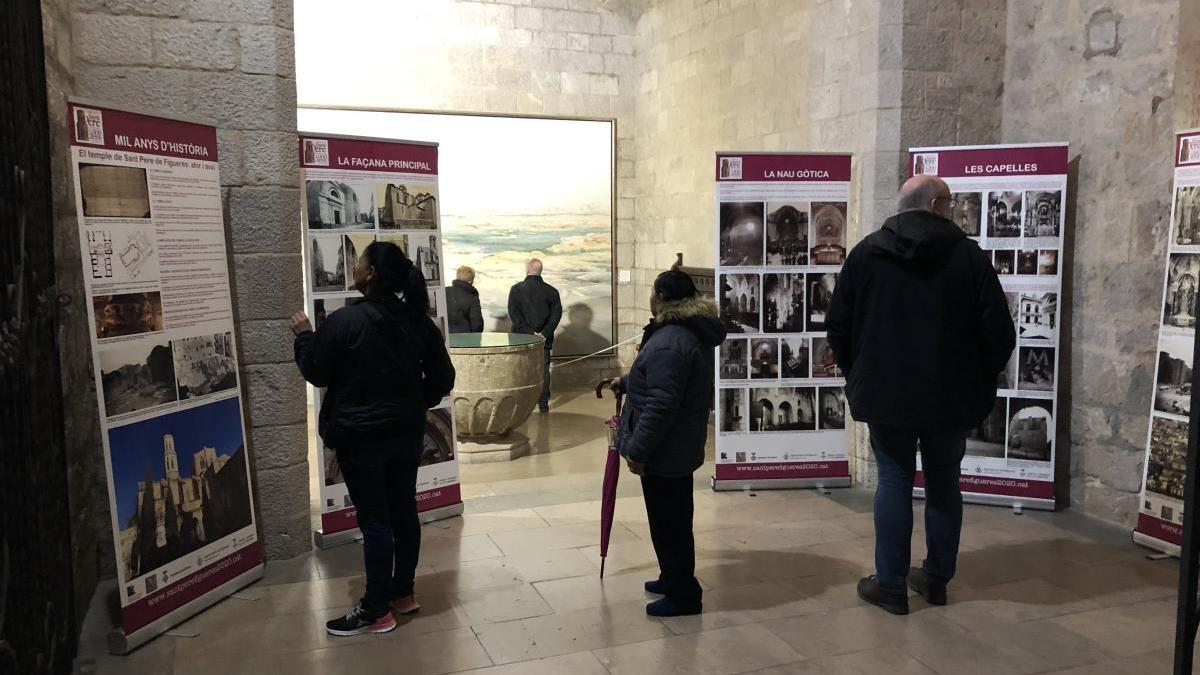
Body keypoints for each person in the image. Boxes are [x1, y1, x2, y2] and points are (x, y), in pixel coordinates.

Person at [826, 175, 1016, 615]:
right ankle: (935, 579)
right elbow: (998, 333)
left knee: (893, 479)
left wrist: (861, 375)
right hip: (950, 396)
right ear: (934, 205)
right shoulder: (968, 257)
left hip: (886, 394)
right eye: (950, 202)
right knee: (944, 481)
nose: (953, 209)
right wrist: (977, 378)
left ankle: (891, 585)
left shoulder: (868, 253)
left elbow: (839, 325)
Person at [291, 241, 455, 636]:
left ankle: (376, 609)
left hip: (362, 437)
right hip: (405, 432)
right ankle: (403, 593)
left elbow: (316, 370)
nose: (356, 267)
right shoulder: (416, 320)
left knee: (376, 521)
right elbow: (443, 378)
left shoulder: (348, 321)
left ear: (371, 274)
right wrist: (415, 402)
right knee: (402, 511)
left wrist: (303, 336)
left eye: (360, 262)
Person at [603, 270, 726, 617]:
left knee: (669, 523)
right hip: (677, 445)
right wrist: (627, 382)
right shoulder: (682, 332)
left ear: (659, 296)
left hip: (665, 448)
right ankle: (672, 576)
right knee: (670, 519)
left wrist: (638, 451)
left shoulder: (670, 339)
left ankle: (684, 595)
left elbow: (661, 404)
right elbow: (661, 380)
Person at [507, 258, 562, 412]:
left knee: (520, 368)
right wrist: (543, 333)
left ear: (527, 269)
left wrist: (528, 332)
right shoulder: (552, 291)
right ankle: (543, 404)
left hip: (520, 338)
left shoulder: (516, 289)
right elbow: (556, 316)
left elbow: (514, 313)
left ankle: (521, 404)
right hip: (543, 339)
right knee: (543, 370)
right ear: (540, 271)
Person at [445, 265, 484, 333]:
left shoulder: (445, 291)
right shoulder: (472, 296)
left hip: (445, 338)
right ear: (470, 281)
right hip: (465, 339)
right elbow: (477, 325)